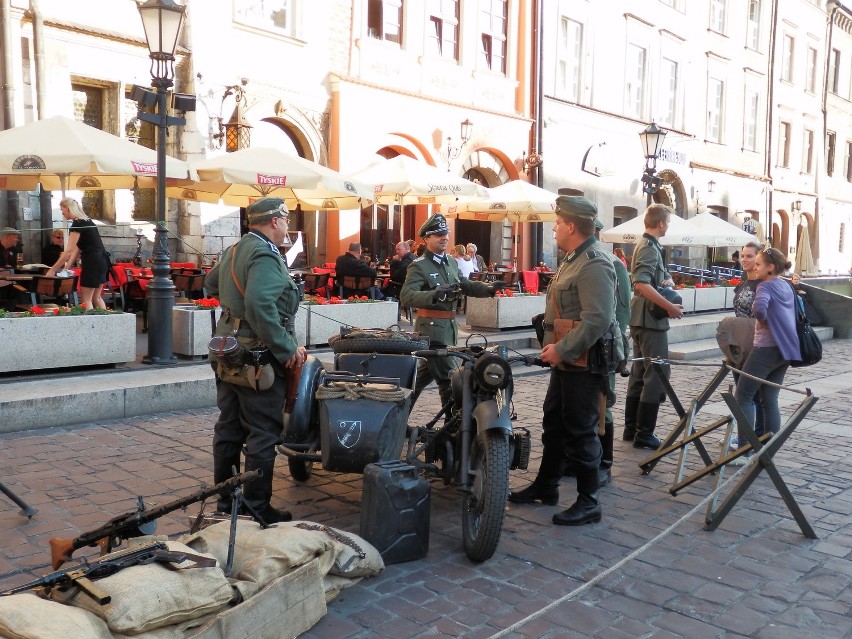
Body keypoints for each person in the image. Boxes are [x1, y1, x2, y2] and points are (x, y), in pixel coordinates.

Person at [508, 196, 616, 526]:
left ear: (571, 226)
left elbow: (598, 319)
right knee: (554, 422)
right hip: (568, 359)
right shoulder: (574, 259)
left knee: (581, 430)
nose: (553, 228)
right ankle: (547, 485)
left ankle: (589, 501)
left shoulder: (595, 262)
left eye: (557, 223)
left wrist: (562, 349)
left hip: (583, 361)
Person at [205, 197, 307, 523]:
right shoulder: (264, 253)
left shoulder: (236, 248)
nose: (287, 226)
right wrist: (286, 348)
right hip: (256, 355)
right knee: (263, 432)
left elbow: (211, 282)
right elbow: (260, 304)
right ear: (275, 220)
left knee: (230, 427)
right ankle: (256, 508)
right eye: (286, 219)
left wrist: (234, 312)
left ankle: (226, 504)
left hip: (228, 347)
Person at [400, 213, 506, 410]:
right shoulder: (419, 266)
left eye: (446, 233)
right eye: (438, 234)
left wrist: (488, 288)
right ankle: (454, 427)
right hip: (431, 331)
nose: (445, 237)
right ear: (427, 238)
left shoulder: (450, 262)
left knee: (421, 378)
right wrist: (433, 294)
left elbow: (463, 285)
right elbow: (406, 296)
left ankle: (397, 413)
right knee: (449, 380)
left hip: (449, 329)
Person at [622, 204, 684, 449]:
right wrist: (669, 305)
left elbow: (650, 279)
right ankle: (644, 433)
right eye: (667, 222)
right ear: (661, 223)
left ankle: (632, 428)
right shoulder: (648, 247)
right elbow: (640, 284)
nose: (668, 226)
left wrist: (665, 279)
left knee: (639, 373)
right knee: (657, 374)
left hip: (641, 318)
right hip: (650, 320)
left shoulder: (649, 246)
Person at [733, 247, 800, 462]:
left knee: (743, 395)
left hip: (765, 348)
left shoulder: (765, 286)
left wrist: (763, 321)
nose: (755, 266)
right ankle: (768, 449)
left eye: (759, 264)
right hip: (786, 348)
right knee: (769, 399)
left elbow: (759, 310)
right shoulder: (786, 285)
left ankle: (745, 448)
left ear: (770, 268)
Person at [45, 197, 110, 309]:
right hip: (102, 260)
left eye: (62, 210)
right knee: (96, 298)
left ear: (68, 209)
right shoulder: (87, 221)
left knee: (86, 300)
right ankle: (105, 325)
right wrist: (67, 268)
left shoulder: (77, 224)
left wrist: (52, 270)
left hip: (92, 262)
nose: (62, 213)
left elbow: (68, 252)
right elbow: (77, 250)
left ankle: (91, 326)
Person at [0, 228, 23, 310]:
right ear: (7, 237)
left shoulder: (14, 250)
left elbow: (18, 265)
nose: (17, 240)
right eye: (15, 237)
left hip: (10, 279)